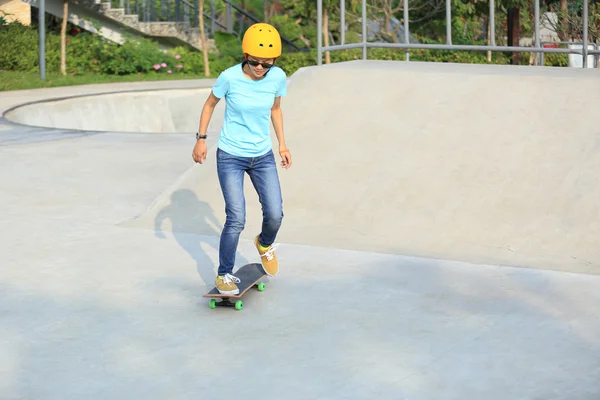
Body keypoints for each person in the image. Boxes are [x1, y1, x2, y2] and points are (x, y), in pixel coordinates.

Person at [192, 22, 292, 295]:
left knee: (275, 213)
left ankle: (264, 243)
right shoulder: (229, 77)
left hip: (262, 155)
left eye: (267, 64)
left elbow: (276, 109)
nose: (261, 68)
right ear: (246, 56)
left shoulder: (277, 77)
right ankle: (224, 273)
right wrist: (201, 138)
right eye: (256, 62)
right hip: (231, 156)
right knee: (236, 217)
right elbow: (210, 104)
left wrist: (282, 144)